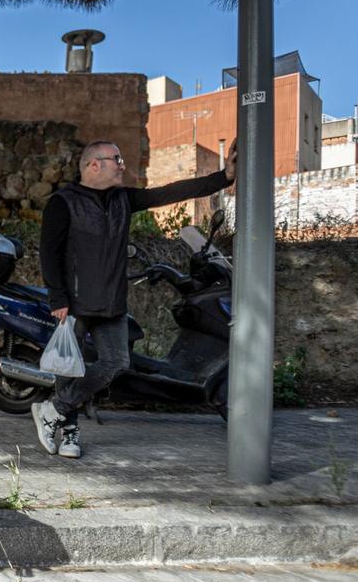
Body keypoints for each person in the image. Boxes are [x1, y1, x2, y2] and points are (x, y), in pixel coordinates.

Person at [34, 139, 237, 459]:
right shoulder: (64, 202)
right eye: (116, 158)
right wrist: (57, 296)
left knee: (117, 363)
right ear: (93, 165)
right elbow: (49, 252)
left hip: (112, 301)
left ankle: (54, 410)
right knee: (69, 368)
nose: (122, 164)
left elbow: (172, 191)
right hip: (74, 301)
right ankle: (70, 432)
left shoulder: (123, 199)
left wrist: (223, 177)